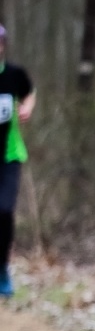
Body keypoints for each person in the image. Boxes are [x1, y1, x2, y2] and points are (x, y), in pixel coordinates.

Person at [0, 24, 35, 300]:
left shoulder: (14, 75)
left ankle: (2, 269)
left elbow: (30, 91)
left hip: (10, 156)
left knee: (5, 211)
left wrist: (27, 107)